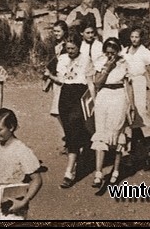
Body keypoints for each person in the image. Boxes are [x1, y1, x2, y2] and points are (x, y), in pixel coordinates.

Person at [45, 31, 95, 188]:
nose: (70, 51)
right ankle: (79, 150)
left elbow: (89, 81)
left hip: (79, 95)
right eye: (68, 48)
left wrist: (95, 99)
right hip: (65, 95)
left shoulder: (86, 59)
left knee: (74, 126)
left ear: (79, 47)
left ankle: (70, 171)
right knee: (69, 130)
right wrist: (49, 76)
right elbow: (60, 79)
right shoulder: (62, 58)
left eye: (73, 48)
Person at [0, 108, 43, 220]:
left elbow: (37, 179)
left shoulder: (22, 150)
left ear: (11, 127)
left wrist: (24, 201)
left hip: (13, 204)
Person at [91, 37, 132, 187]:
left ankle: (116, 170)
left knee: (116, 133)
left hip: (119, 97)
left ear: (118, 51)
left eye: (113, 53)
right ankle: (98, 173)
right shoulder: (101, 61)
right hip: (103, 96)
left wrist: (131, 105)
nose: (110, 55)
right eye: (107, 52)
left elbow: (128, 85)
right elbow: (97, 83)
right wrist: (108, 67)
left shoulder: (124, 63)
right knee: (101, 133)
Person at [122, 27, 150, 129]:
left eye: (136, 37)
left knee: (140, 108)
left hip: (139, 81)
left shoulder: (145, 52)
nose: (134, 39)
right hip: (127, 82)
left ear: (141, 38)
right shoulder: (125, 50)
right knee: (127, 107)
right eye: (132, 37)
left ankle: (144, 133)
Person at [43, 20, 68, 150]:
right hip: (55, 80)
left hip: (63, 79)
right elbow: (51, 62)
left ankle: (69, 137)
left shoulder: (67, 46)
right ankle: (67, 136)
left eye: (59, 31)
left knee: (61, 110)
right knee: (58, 111)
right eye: (55, 31)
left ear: (64, 31)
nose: (56, 33)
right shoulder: (55, 45)